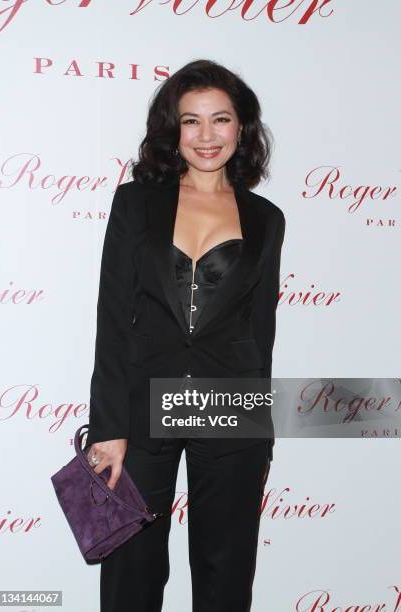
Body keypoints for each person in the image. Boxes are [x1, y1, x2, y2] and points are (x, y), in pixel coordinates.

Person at [86, 58, 286, 612]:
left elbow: (260, 329)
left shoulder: (267, 218)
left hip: (229, 407)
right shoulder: (135, 203)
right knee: (132, 569)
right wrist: (107, 427)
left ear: (241, 128)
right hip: (143, 406)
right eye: (190, 120)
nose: (205, 136)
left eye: (220, 120)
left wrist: (260, 429)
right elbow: (111, 319)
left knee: (226, 574)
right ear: (172, 129)